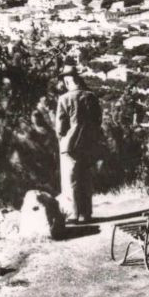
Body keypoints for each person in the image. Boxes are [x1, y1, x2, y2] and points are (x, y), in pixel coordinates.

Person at [52, 65, 103, 223]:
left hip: (70, 145)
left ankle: (75, 214)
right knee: (86, 178)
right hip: (89, 143)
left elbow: (60, 127)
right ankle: (86, 214)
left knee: (72, 180)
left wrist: (63, 138)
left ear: (67, 82)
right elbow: (98, 120)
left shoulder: (64, 99)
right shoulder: (91, 96)